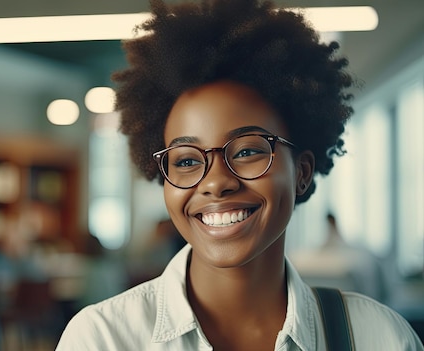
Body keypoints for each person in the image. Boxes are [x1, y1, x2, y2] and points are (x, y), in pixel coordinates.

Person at [56, 0, 424, 350]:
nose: (216, 182)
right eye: (186, 161)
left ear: (302, 172)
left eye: (247, 150)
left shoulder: (377, 338)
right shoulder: (103, 339)